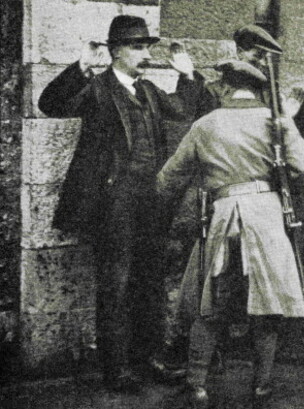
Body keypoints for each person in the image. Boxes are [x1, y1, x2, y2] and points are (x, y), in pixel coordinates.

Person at [37, 15, 201, 392]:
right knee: (116, 285)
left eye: (147, 47)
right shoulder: (97, 89)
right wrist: (79, 68)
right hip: (113, 205)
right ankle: (116, 369)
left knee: (149, 283)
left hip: (150, 204)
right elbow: (52, 103)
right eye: (137, 47)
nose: (145, 55)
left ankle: (149, 360)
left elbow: (184, 111)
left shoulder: (148, 92)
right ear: (115, 52)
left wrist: (187, 77)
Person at [156, 60, 304, 409]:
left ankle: (197, 386)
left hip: (222, 215)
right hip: (268, 216)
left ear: (225, 88)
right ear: (258, 90)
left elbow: (169, 177)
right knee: (268, 305)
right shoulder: (276, 123)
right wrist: (281, 181)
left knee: (209, 301)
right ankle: (261, 387)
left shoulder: (206, 124)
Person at [192, 24, 283, 119]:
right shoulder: (214, 90)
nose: (264, 63)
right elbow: (202, 129)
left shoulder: (267, 90)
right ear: (239, 52)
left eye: (266, 59)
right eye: (258, 56)